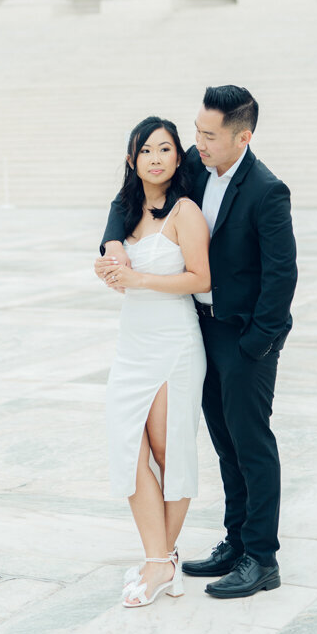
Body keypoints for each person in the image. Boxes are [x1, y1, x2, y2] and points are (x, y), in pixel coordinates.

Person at [96, 85, 297, 600]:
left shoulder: (266, 190)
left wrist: (260, 343)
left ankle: (262, 557)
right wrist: (114, 246)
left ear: (242, 136)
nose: (196, 144)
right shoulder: (193, 161)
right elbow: (129, 197)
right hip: (197, 329)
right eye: (197, 132)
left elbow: (281, 275)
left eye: (208, 135)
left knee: (251, 442)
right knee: (224, 442)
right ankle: (236, 540)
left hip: (243, 335)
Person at [102, 116, 210, 608]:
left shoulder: (184, 211)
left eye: (165, 149)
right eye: (146, 150)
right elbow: (109, 256)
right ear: (132, 160)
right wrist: (107, 267)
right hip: (133, 344)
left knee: (169, 453)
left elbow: (201, 279)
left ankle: (158, 561)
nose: (156, 158)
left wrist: (140, 280)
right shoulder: (125, 210)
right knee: (130, 447)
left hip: (173, 343)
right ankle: (160, 558)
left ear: (177, 157)